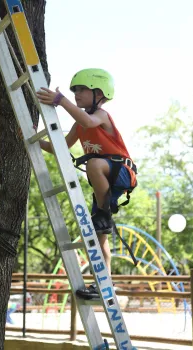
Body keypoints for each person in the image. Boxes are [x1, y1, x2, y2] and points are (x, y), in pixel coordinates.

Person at [36, 68, 137, 299]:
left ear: (99, 93)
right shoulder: (78, 126)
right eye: (74, 91)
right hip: (104, 181)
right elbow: (57, 147)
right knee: (99, 240)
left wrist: (61, 101)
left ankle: (103, 213)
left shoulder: (101, 115)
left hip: (121, 172)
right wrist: (36, 139)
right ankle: (104, 286)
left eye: (82, 89)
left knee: (93, 165)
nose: (76, 94)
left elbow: (89, 121)